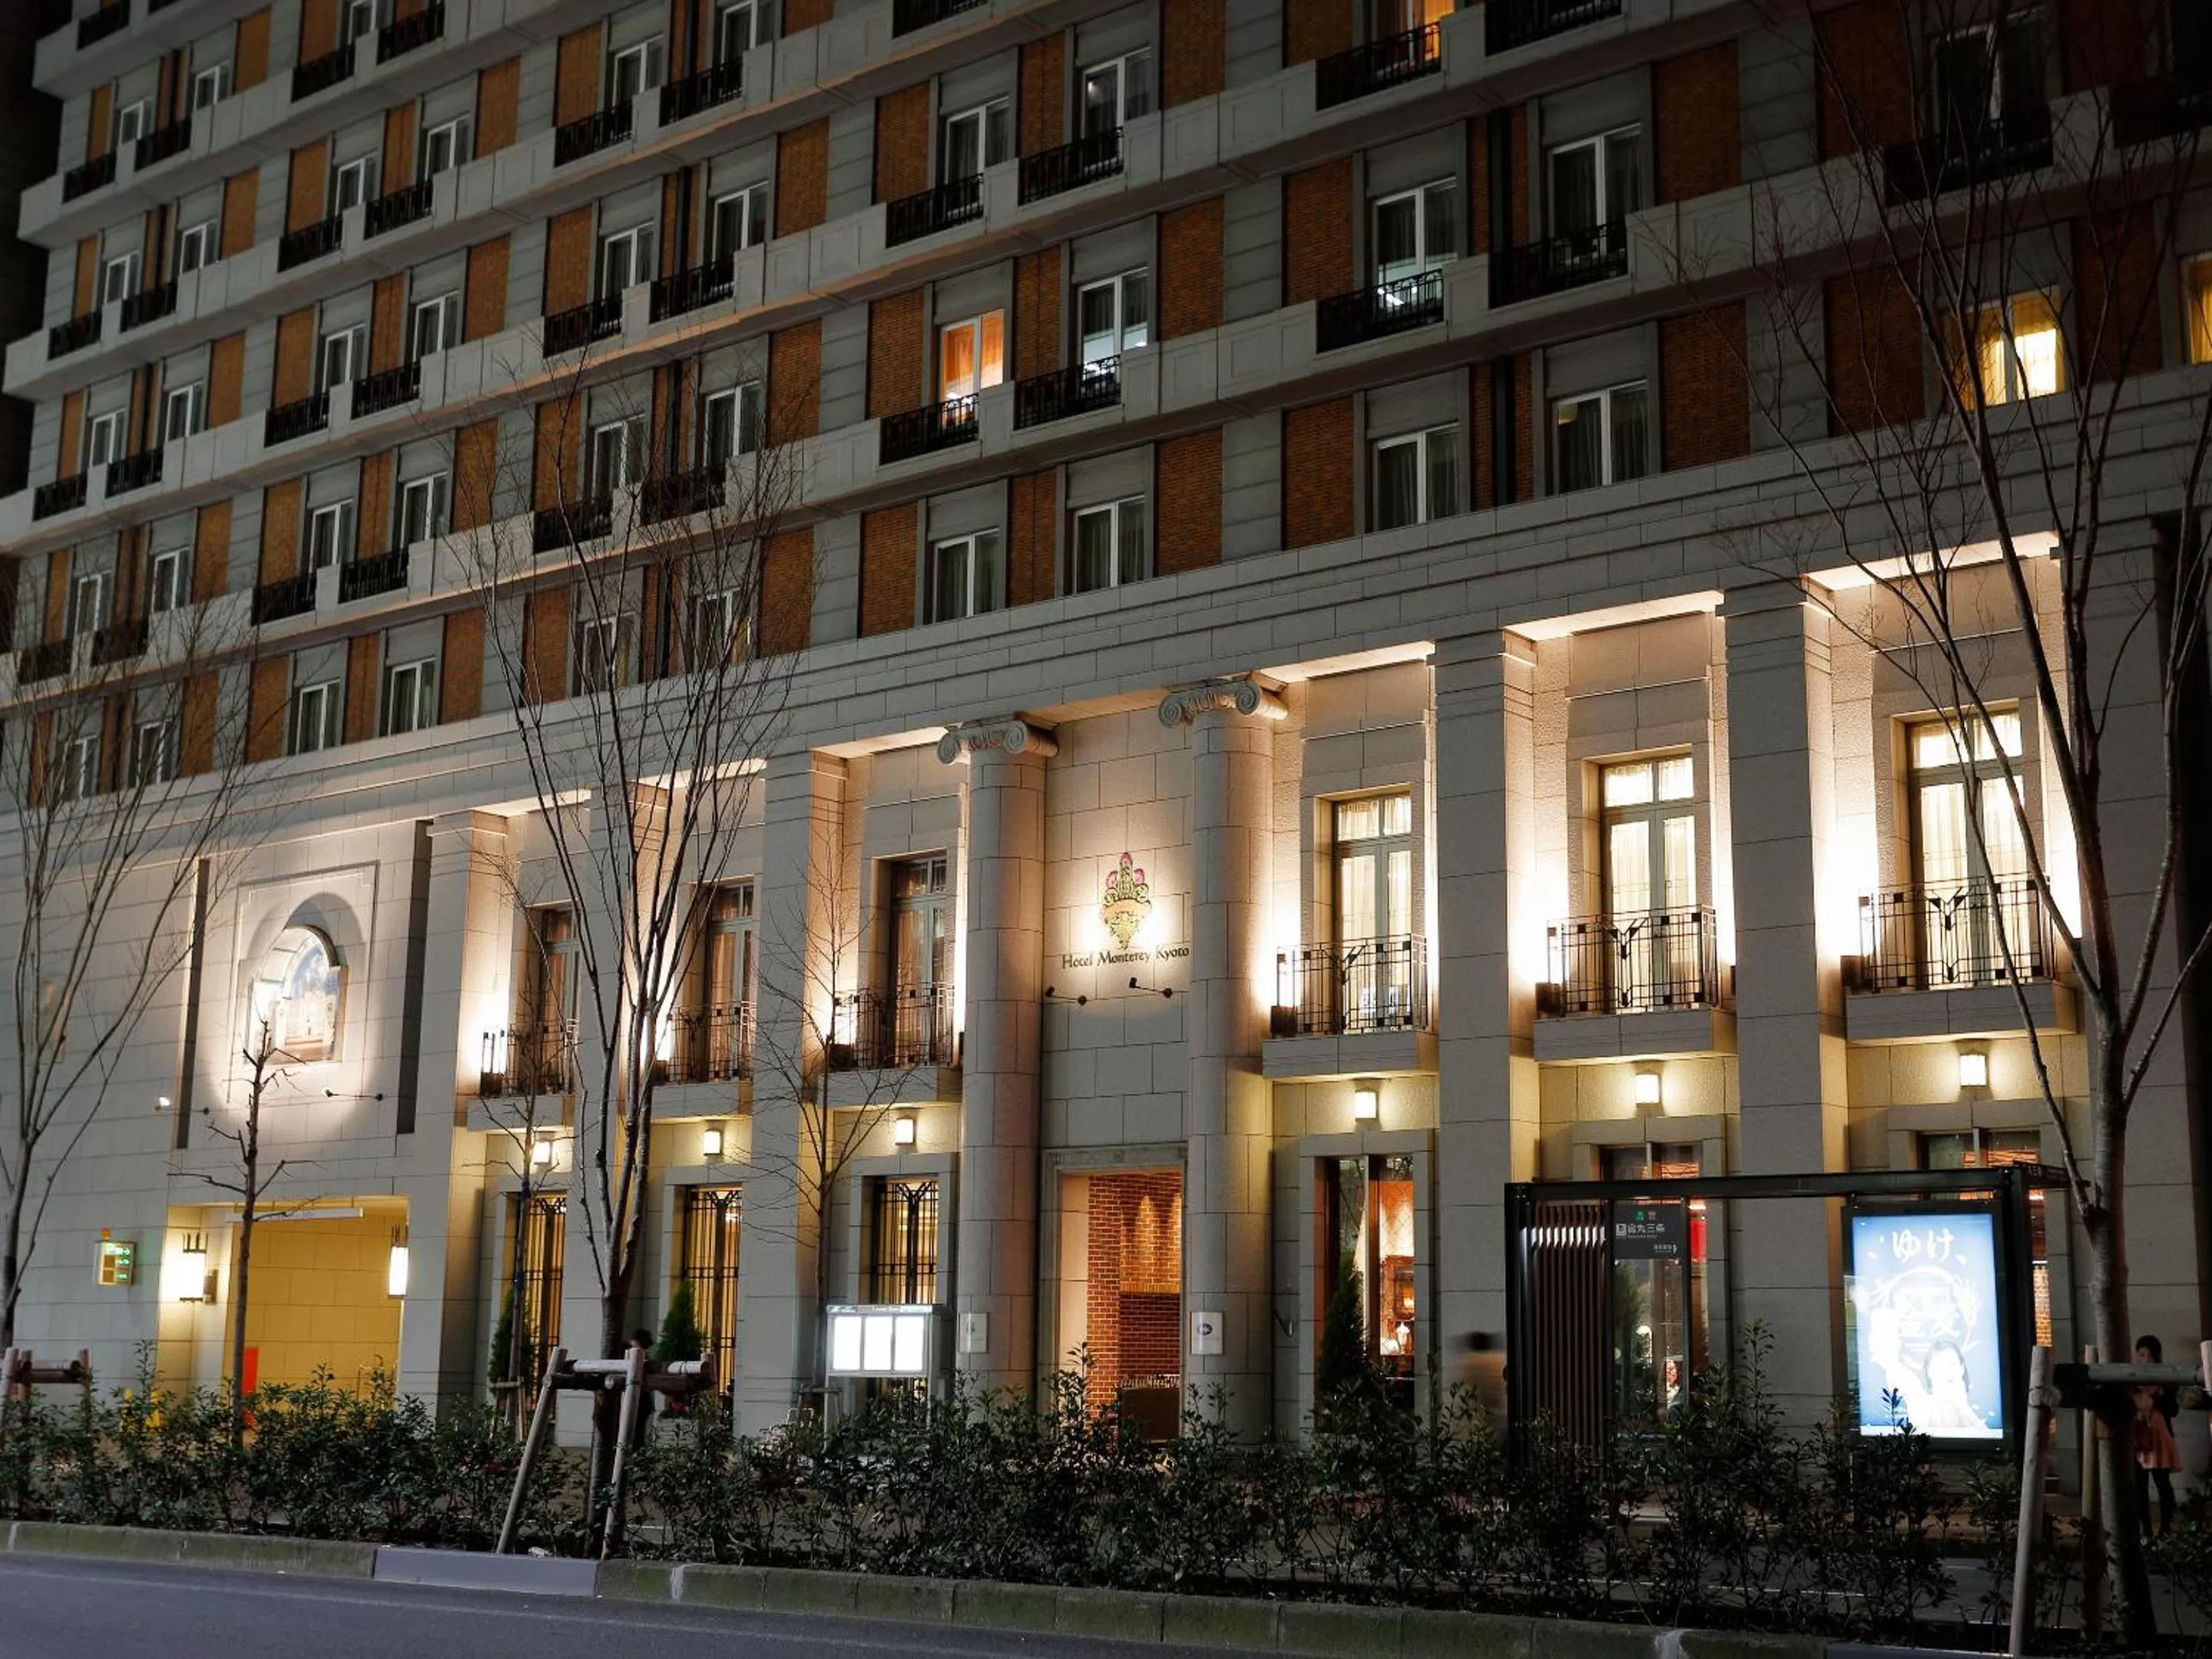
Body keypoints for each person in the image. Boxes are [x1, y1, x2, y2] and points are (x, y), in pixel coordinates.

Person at [2134, 1334, 2181, 1535]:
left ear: (2155, 1356)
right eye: (2140, 1355)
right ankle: (2145, 1529)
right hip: (2140, 1436)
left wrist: (2155, 1401)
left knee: (2162, 1483)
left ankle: (2164, 1528)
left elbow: (2173, 1408)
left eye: (2146, 1355)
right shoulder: (2133, 1379)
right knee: (2140, 1485)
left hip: (2159, 1437)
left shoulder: (2165, 1378)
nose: (2142, 1359)